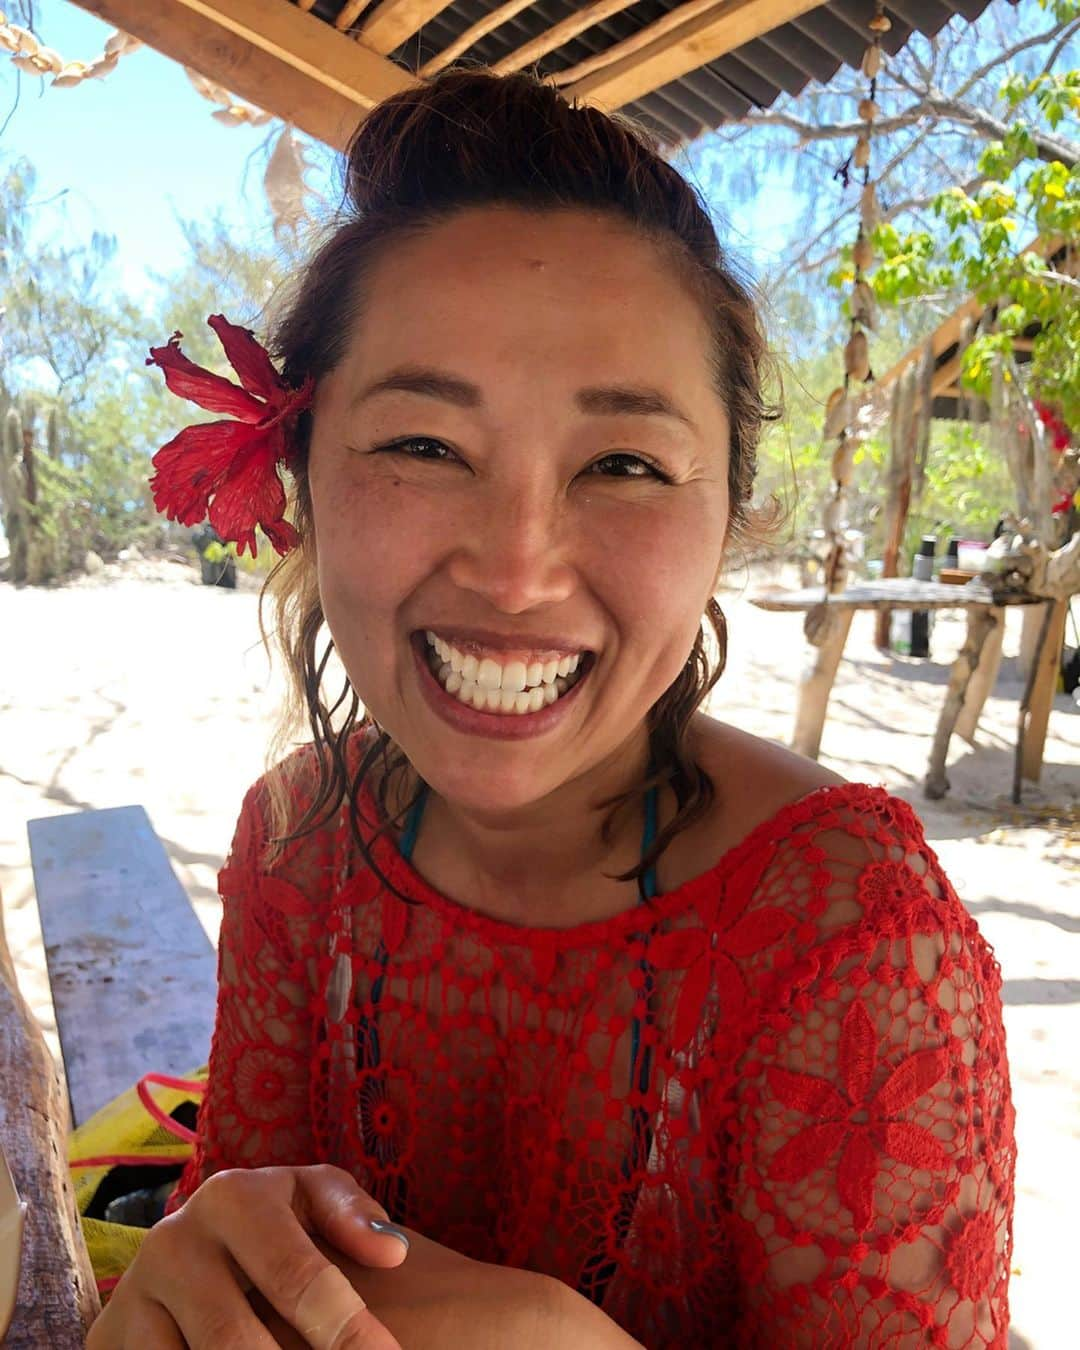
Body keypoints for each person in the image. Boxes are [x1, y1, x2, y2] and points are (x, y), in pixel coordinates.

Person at [89, 70, 1014, 1349]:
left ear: (728, 522)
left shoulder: (849, 943)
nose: (516, 571)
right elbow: (250, 1224)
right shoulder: (297, 841)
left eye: (624, 464)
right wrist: (214, 1251)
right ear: (300, 477)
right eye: (423, 446)